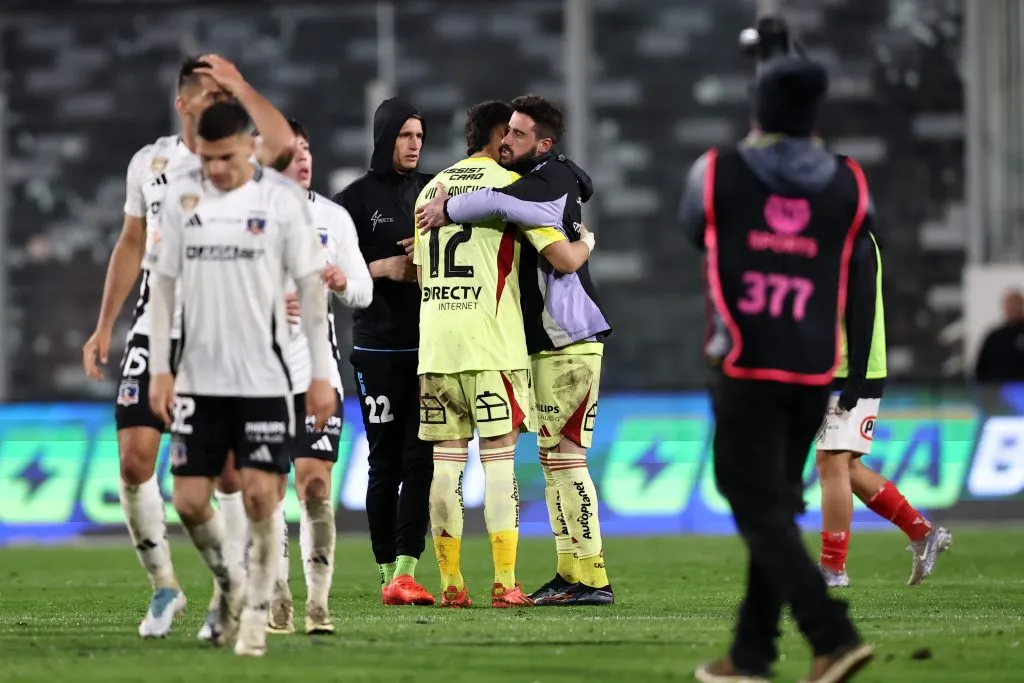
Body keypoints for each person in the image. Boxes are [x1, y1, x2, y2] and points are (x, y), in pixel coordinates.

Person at [80, 54, 297, 640]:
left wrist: (241, 86)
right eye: (210, 96)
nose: (219, 105)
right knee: (133, 461)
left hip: (220, 330)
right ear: (183, 103)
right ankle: (165, 586)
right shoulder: (150, 164)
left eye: (225, 98)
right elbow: (131, 243)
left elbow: (282, 146)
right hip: (156, 326)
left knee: (223, 479)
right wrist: (105, 325)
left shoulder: (238, 157)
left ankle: (231, 588)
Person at [681, 55, 874, 682]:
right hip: (814, 369)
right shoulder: (849, 182)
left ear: (759, 108)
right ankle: (751, 654)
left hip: (747, 362)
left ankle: (832, 635)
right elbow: (858, 245)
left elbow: (694, 228)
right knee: (777, 509)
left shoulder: (718, 171)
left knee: (753, 502)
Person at [145, 101, 336, 657]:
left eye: (226, 157)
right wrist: (160, 368)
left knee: (260, 496)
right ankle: (231, 579)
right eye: (207, 159)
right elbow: (161, 288)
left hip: (263, 380)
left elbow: (312, 288)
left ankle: (256, 612)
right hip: (198, 379)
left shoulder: (279, 202)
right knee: (188, 501)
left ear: (250, 148)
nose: (216, 169)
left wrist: (320, 374)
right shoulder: (180, 198)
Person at [416, 95, 613, 606]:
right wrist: (586, 242)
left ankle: (593, 577)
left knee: (564, 458)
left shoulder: (452, 189)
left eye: (519, 134)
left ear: (541, 144)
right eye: (507, 133)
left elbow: (563, 258)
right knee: (552, 460)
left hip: (565, 340)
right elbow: (566, 247)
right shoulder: (513, 185)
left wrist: (584, 246)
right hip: (521, 344)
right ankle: (567, 574)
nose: (509, 142)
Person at [264, 119, 373, 635]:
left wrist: (343, 281)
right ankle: (276, 594)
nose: (303, 159)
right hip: (257, 376)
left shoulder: (333, 217)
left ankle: (317, 605)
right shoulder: (245, 216)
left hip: (316, 372)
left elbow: (364, 291)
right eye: (292, 152)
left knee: (313, 486)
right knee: (265, 493)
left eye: (307, 149)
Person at [334, 98, 435, 605]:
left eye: (419, 136)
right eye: (405, 135)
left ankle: (407, 570)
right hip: (377, 349)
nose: (414, 145)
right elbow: (330, 273)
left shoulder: (435, 192)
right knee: (384, 463)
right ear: (384, 137)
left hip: (430, 347)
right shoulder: (351, 202)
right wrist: (381, 269)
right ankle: (383, 571)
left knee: (422, 460)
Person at [815, 231, 951, 588]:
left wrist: (856, 379)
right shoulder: (832, 233)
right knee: (845, 465)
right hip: (835, 367)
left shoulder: (855, 239)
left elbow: (863, 310)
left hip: (851, 369)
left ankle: (833, 569)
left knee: (831, 462)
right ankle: (922, 533)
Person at [974, 290, 1024, 382]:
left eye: (1015, 304)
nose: (1012, 308)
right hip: (997, 387)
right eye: (1009, 305)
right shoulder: (994, 337)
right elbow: (981, 369)